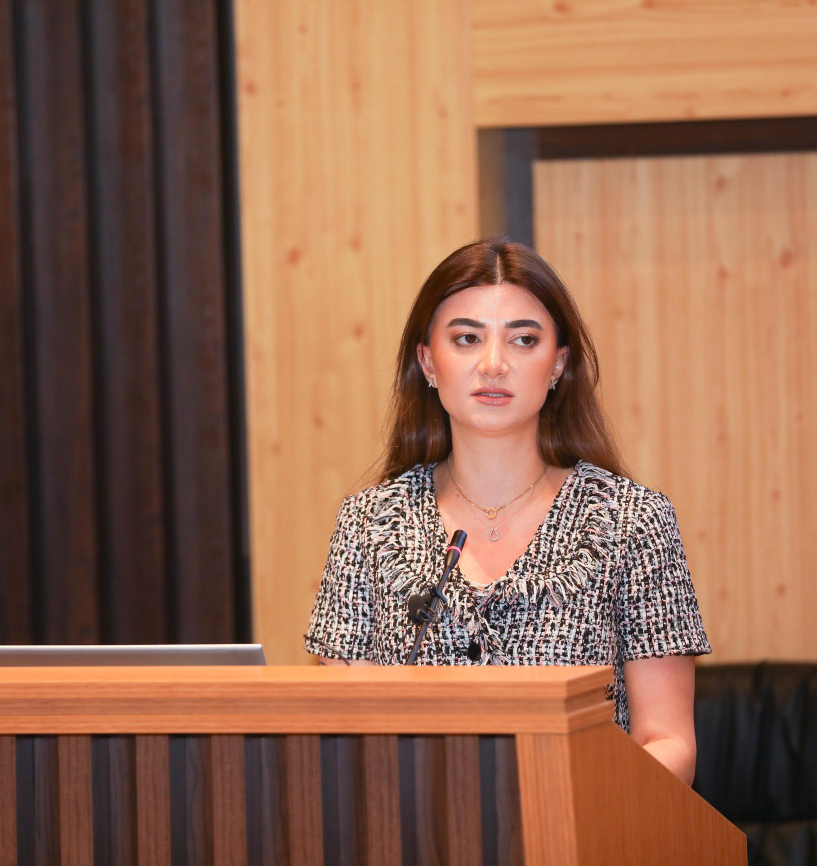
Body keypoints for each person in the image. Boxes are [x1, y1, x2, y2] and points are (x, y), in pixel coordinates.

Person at [304, 237, 710, 784]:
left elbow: (666, 741)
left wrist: (578, 812)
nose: (493, 365)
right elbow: (342, 736)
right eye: (466, 339)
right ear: (428, 362)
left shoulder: (631, 521)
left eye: (523, 340)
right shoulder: (368, 523)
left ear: (557, 365)